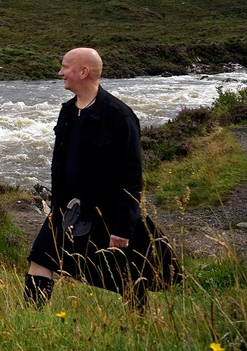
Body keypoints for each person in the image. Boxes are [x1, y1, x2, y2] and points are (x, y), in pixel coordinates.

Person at [24, 48, 180, 310]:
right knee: (41, 258)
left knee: (127, 274)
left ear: (83, 72)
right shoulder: (67, 111)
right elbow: (60, 163)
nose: (60, 72)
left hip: (107, 212)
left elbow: (132, 176)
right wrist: (56, 207)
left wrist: (123, 226)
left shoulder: (119, 116)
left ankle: (139, 326)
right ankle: (30, 319)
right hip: (67, 211)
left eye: (65, 67)